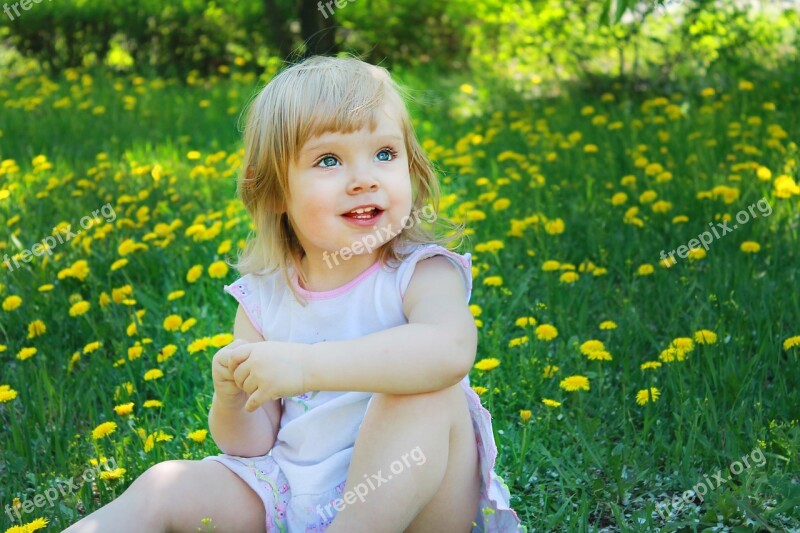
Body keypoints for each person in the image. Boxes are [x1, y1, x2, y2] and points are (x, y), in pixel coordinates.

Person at [64, 55, 524, 533]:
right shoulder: (265, 296)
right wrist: (232, 400)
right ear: (277, 193)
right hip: (289, 492)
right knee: (165, 485)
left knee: (421, 390)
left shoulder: (419, 272)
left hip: (412, 508)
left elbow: (449, 352)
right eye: (329, 160)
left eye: (385, 154)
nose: (365, 178)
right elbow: (251, 444)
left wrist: (305, 368)